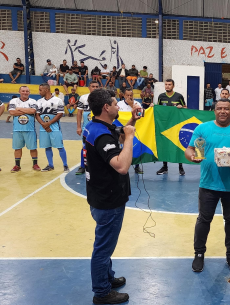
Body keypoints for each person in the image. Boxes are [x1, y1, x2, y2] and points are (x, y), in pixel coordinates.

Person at [83, 88, 141, 305]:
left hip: (99, 195)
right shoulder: (102, 135)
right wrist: (129, 138)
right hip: (108, 200)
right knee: (103, 247)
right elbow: (122, 166)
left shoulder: (94, 126)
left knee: (105, 244)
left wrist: (133, 120)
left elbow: (116, 131)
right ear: (106, 107)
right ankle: (101, 292)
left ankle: (107, 278)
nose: (119, 107)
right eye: (116, 104)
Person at [184, 98, 230, 273]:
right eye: (219, 108)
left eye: (226, 109)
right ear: (214, 111)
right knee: (204, 220)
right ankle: (199, 254)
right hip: (208, 184)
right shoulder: (202, 128)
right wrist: (192, 157)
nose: (222, 111)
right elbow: (190, 149)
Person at [35, 83, 69, 172]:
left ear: (46, 90)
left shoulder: (58, 100)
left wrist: (48, 123)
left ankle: (65, 165)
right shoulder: (39, 101)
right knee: (47, 146)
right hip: (43, 127)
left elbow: (60, 113)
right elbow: (37, 115)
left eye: (40, 90)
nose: (39, 92)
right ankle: (50, 165)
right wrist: (44, 125)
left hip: (54, 127)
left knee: (60, 146)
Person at [156, 79, 187, 176]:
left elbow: (186, 108)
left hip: (176, 125)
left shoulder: (179, 96)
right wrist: (153, 107)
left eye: (169, 84)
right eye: (166, 84)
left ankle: (180, 167)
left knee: (177, 144)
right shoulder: (161, 96)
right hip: (164, 125)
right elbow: (158, 109)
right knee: (164, 145)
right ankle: (165, 167)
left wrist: (181, 107)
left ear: (173, 86)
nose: (167, 86)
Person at [8, 86, 41, 172]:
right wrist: (26, 110)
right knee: (17, 148)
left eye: (27, 91)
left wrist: (19, 109)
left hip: (30, 129)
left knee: (33, 148)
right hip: (17, 129)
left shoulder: (33, 101)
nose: (25, 93)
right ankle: (17, 165)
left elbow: (33, 111)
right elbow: (12, 112)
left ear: (29, 92)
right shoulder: (13, 101)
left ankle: (35, 164)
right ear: (19, 91)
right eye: (23, 91)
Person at [76, 81, 100, 175]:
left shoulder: (103, 98)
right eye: (93, 86)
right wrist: (78, 127)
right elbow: (79, 113)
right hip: (87, 128)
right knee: (85, 147)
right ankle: (82, 166)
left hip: (99, 127)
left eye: (96, 86)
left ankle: (97, 166)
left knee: (99, 146)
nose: (94, 88)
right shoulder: (83, 98)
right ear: (89, 87)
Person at [119, 88, 144, 174]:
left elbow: (140, 114)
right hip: (122, 129)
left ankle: (137, 166)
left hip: (134, 129)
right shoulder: (119, 104)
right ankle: (122, 165)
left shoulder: (137, 104)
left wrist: (131, 105)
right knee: (122, 148)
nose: (129, 97)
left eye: (131, 95)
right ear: (124, 95)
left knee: (135, 147)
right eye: (127, 95)